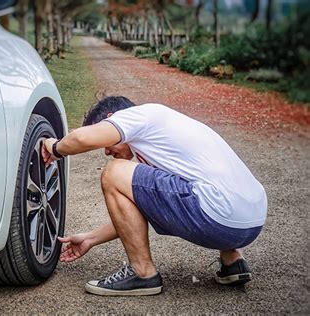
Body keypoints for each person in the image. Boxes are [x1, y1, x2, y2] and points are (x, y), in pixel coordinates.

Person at [42, 96, 267, 296]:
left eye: (105, 142)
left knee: (113, 172)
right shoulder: (168, 133)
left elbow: (82, 139)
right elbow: (147, 207)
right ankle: (233, 261)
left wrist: (56, 148)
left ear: (112, 118)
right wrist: (91, 238)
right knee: (204, 183)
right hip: (251, 223)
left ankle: (142, 273)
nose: (106, 151)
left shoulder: (137, 116)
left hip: (217, 215)